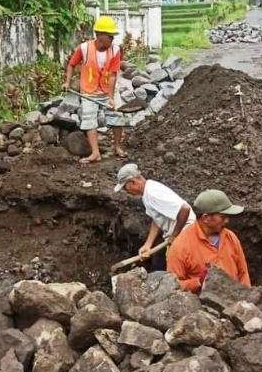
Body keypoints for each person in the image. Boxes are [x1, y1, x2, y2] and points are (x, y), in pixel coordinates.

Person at [63, 16, 125, 164]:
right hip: (89, 91)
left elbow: (113, 75)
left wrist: (110, 97)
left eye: (113, 36)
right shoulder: (84, 48)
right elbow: (71, 64)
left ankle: (117, 147)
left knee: (118, 116)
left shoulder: (115, 50)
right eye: (109, 36)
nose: (112, 39)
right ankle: (95, 153)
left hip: (107, 90)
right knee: (90, 120)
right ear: (99, 35)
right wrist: (67, 82)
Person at [167, 189, 251, 293]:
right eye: (222, 217)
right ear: (206, 218)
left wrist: (247, 299)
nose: (227, 221)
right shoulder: (180, 247)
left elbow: (243, 274)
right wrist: (198, 282)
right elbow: (172, 286)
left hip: (235, 303)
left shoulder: (231, 237)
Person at [114, 163, 196, 269]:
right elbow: (157, 218)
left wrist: (175, 235)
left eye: (125, 187)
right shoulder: (146, 193)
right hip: (175, 233)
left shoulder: (153, 193)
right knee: (158, 261)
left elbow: (185, 209)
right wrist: (148, 244)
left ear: (132, 182)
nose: (126, 191)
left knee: (177, 268)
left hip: (186, 232)